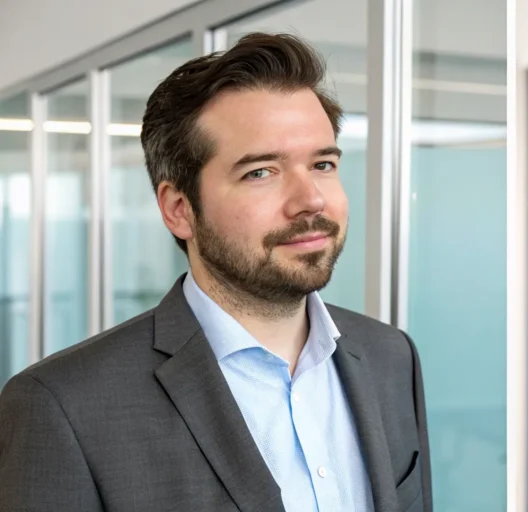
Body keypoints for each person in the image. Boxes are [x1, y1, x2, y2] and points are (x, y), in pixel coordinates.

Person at [0, 33, 430, 512]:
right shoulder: (62, 407)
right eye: (260, 172)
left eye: (323, 164)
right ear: (179, 209)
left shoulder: (392, 357)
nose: (311, 199)